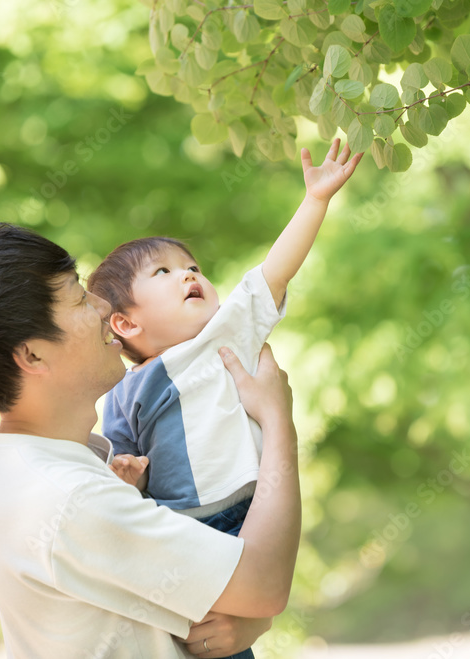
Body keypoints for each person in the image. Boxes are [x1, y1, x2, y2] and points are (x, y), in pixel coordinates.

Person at [0, 222, 301, 658]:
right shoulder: (72, 499)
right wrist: (276, 421)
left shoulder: (39, 468)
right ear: (32, 355)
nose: (103, 306)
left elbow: (231, 603)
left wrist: (246, 617)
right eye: (80, 297)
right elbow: (262, 585)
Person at [85, 140, 361, 607]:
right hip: (182, 529)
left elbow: (273, 273)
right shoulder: (121, 389)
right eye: (164, 272)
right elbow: (122, 458)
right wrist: (127, 475)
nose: (189, 275)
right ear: (126, 323)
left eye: (193, 267)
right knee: (207, 633)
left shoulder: (225, 336)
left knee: (243, 617)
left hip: (251, 515)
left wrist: (315, 200)